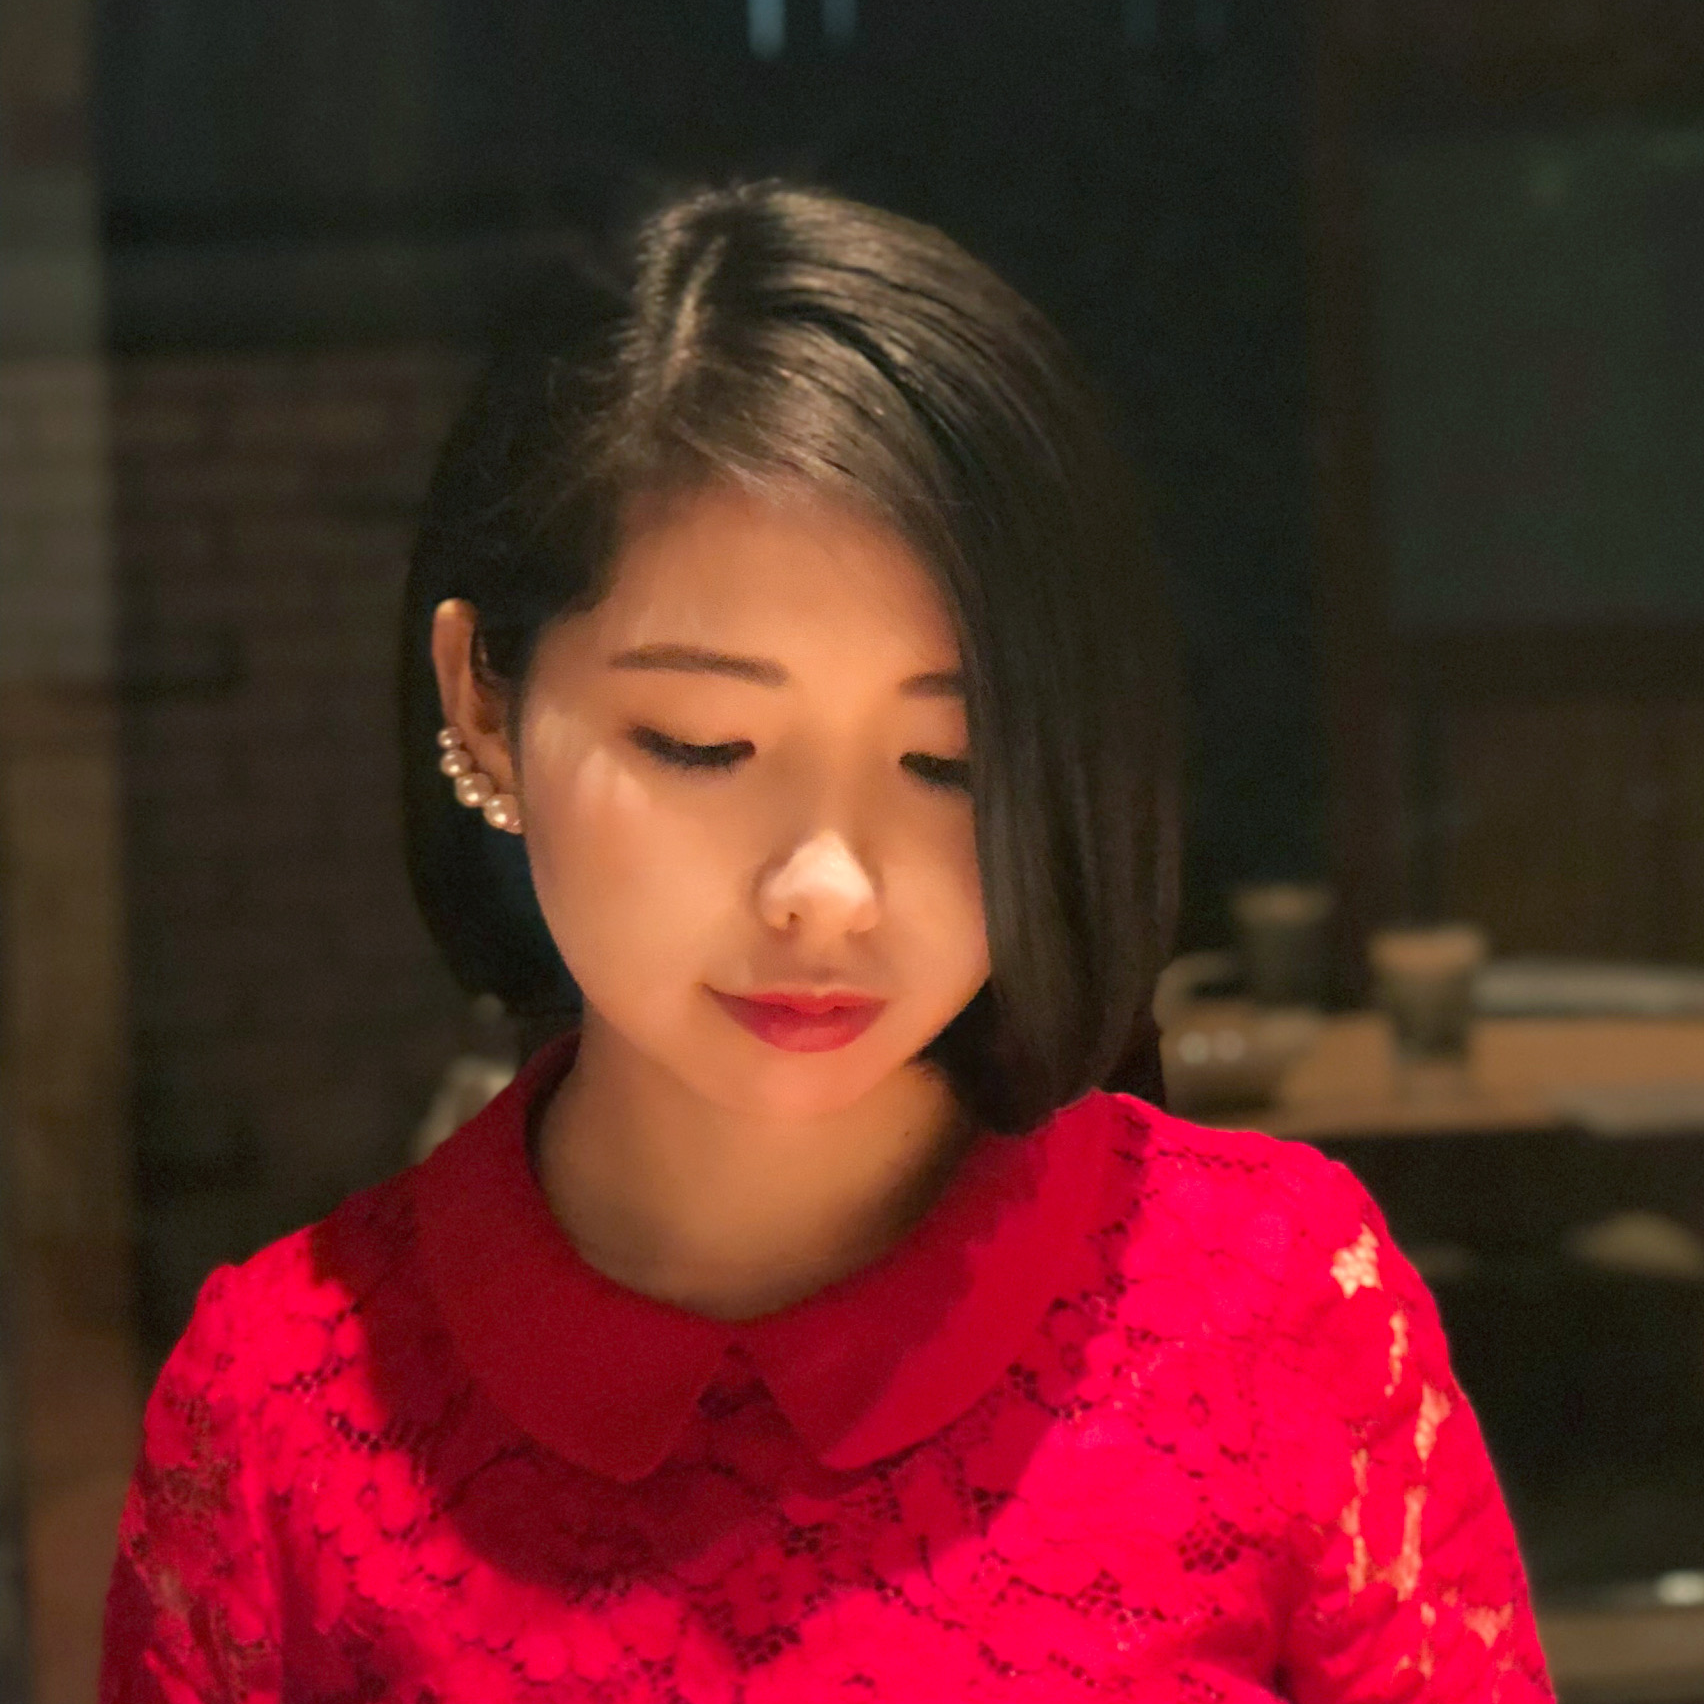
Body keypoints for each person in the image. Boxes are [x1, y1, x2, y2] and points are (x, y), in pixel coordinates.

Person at [99, 181, 1553, 1701]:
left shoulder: (1281, 1313)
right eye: (701, 744)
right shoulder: (280, 1409)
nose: (829, 888)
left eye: (949, 765)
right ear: (482, 702)